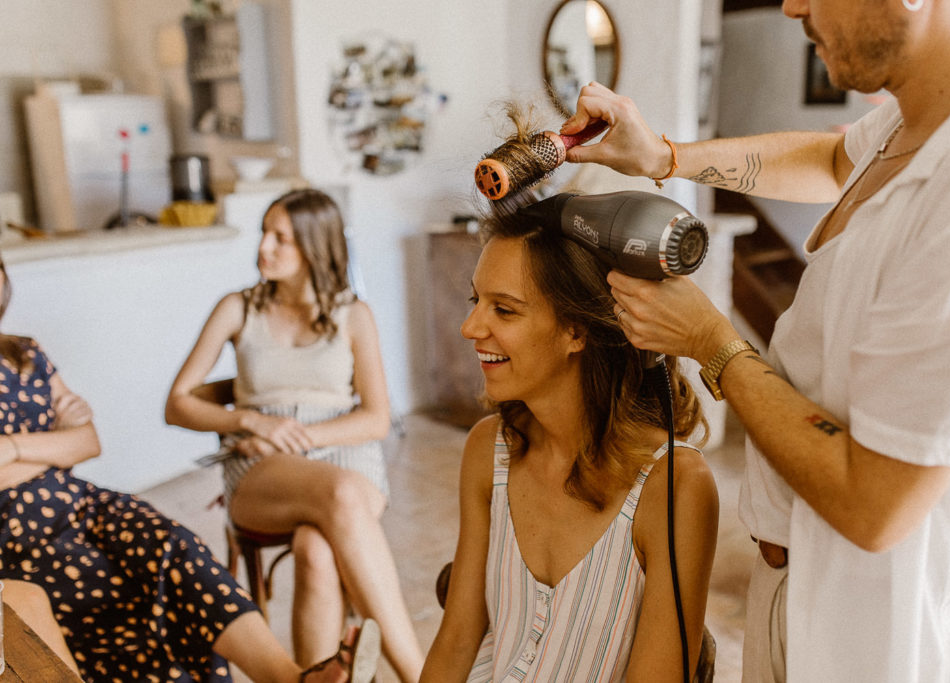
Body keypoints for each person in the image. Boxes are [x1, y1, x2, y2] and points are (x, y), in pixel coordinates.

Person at [556, 0, 950, 679]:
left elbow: (875, 502)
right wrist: (663, 155)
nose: (792, 5)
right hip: (800, 585)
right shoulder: (929, 110)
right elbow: (836, 158)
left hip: (885, 629)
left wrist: (710, 339)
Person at [0, 252, 374, 683]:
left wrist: (12, 448)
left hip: (82, 504)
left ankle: (288, 677)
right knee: (110, 598)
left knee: (173, 544)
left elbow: (87, 441)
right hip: (13, 531)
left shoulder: (25, 353)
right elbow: (66, 443)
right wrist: (49, 444)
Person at [420, 191, 719, 682]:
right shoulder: (488, 449)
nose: (470, 326)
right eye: (478, 300)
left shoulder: (674, 487)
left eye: (506, 310)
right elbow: (456, 643)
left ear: (576, 331)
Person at [165, 188, 424, 682]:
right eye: (264, 233)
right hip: (264, 465)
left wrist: (300, 434)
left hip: (345, 450)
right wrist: (250, 421)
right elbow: (177, 403)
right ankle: (420, 675)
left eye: (280, 238)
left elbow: (374, 418)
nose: (263, 246)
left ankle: (315, 678)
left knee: (316, 547)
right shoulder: (237, 307)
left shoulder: (354, 314)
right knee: (343, 495)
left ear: (314, 246)